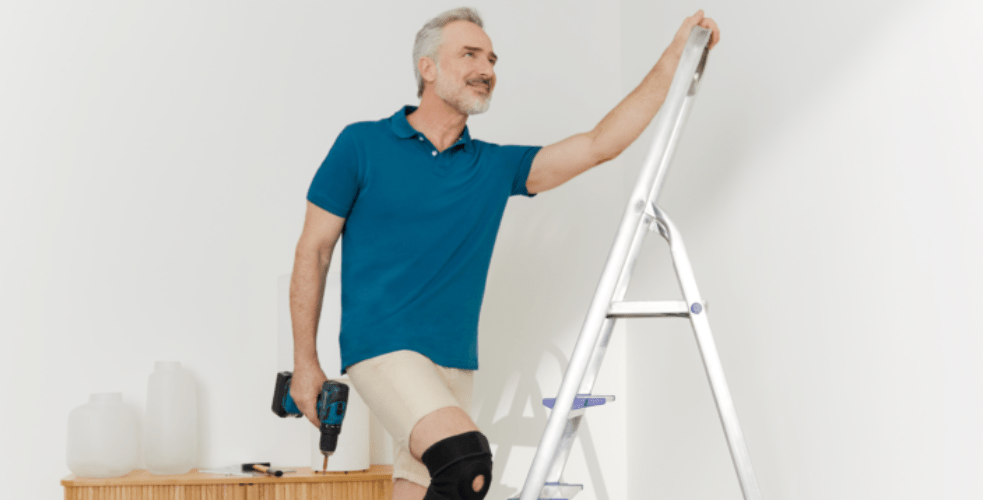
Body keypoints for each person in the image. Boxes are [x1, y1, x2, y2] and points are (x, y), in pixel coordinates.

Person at [288, 7, 720, 500]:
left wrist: (674, 58)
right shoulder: (361, 144)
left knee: (425, 487)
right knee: (466, 464)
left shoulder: (494, 166)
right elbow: (314, 251)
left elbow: (601, 144)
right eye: (470, 54)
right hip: (382, 349)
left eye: (492, 59)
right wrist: (306, 363)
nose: (487, 69)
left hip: (455, 362)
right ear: (427, 68)